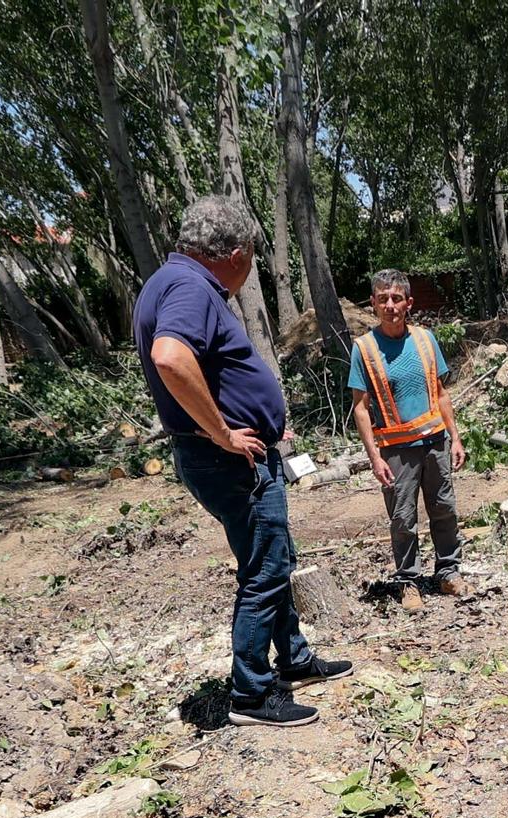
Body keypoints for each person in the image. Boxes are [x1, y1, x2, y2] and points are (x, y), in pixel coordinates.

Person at [136, 195, 350, 728]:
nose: (251, 264)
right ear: (234, 251)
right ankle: (252, 695)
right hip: (227, 460)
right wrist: (224, 433)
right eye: (252, 254)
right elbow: (170, 356)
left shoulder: (172, 281)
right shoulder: (190, 287)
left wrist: (264, 420)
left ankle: (294, 659)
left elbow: (211, 370)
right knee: (266, 567)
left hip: (231, 454)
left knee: (272, 556)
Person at [349, 269, 465, 608]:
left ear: (408, 303)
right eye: (382, 298)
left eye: (396, 298)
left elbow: (441, 393)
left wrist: (455, 438)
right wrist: (374, 458)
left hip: (435, 443)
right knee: (403, 518)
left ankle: (448, 573)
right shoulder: (365, 349)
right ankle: (408, 582)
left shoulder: (425, 340)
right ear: (373, 303)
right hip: (396, 451)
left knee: (443, 509)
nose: (390, 305)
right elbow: (360, 408)